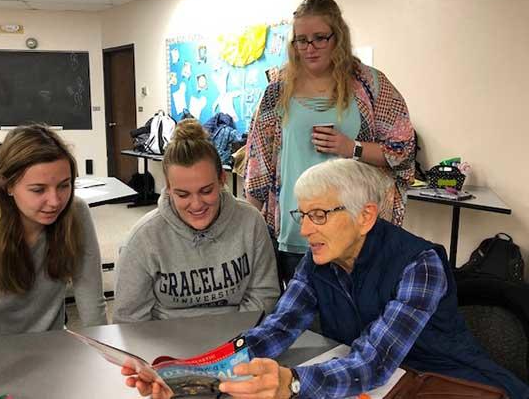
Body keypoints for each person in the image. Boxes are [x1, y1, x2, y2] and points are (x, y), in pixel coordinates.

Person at [123, 159, 529, 399]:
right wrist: (189, 374)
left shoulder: (419, 264)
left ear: (365, 216)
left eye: (320, 215)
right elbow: (274, 330)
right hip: (384, 386)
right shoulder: (319, 261)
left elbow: (373, 361)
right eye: (304, 215)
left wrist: (291, 383)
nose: (305, 230)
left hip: (455, 386)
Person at [244, 0, 416, 287]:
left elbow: (403, 150)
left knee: (354, 319)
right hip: (296, 227)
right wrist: (251, 229)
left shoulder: (370, 84)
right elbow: (258, 163)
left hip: (352, 229)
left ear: (338, 37)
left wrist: (352, 148)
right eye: (301, 40)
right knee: (301, 320)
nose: (309, 48)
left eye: (320, 38)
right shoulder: (277, 90)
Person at [0, 124, 107, 362]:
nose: (55, 201)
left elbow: (93, 311)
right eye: (38, 189)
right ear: (7, 185)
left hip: (54, 358)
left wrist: (106, 365)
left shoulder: (76, 214)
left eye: (64, 186)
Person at [113, 120, 279, 323]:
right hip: (166, 346)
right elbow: (129, 319)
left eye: (206, 191)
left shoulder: (251, 222)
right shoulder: (143, 238)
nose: (196, 204)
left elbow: (264, 296)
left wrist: (229, 345)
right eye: (183, 194)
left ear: (221, 180)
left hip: (238, 341)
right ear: (168, 187)